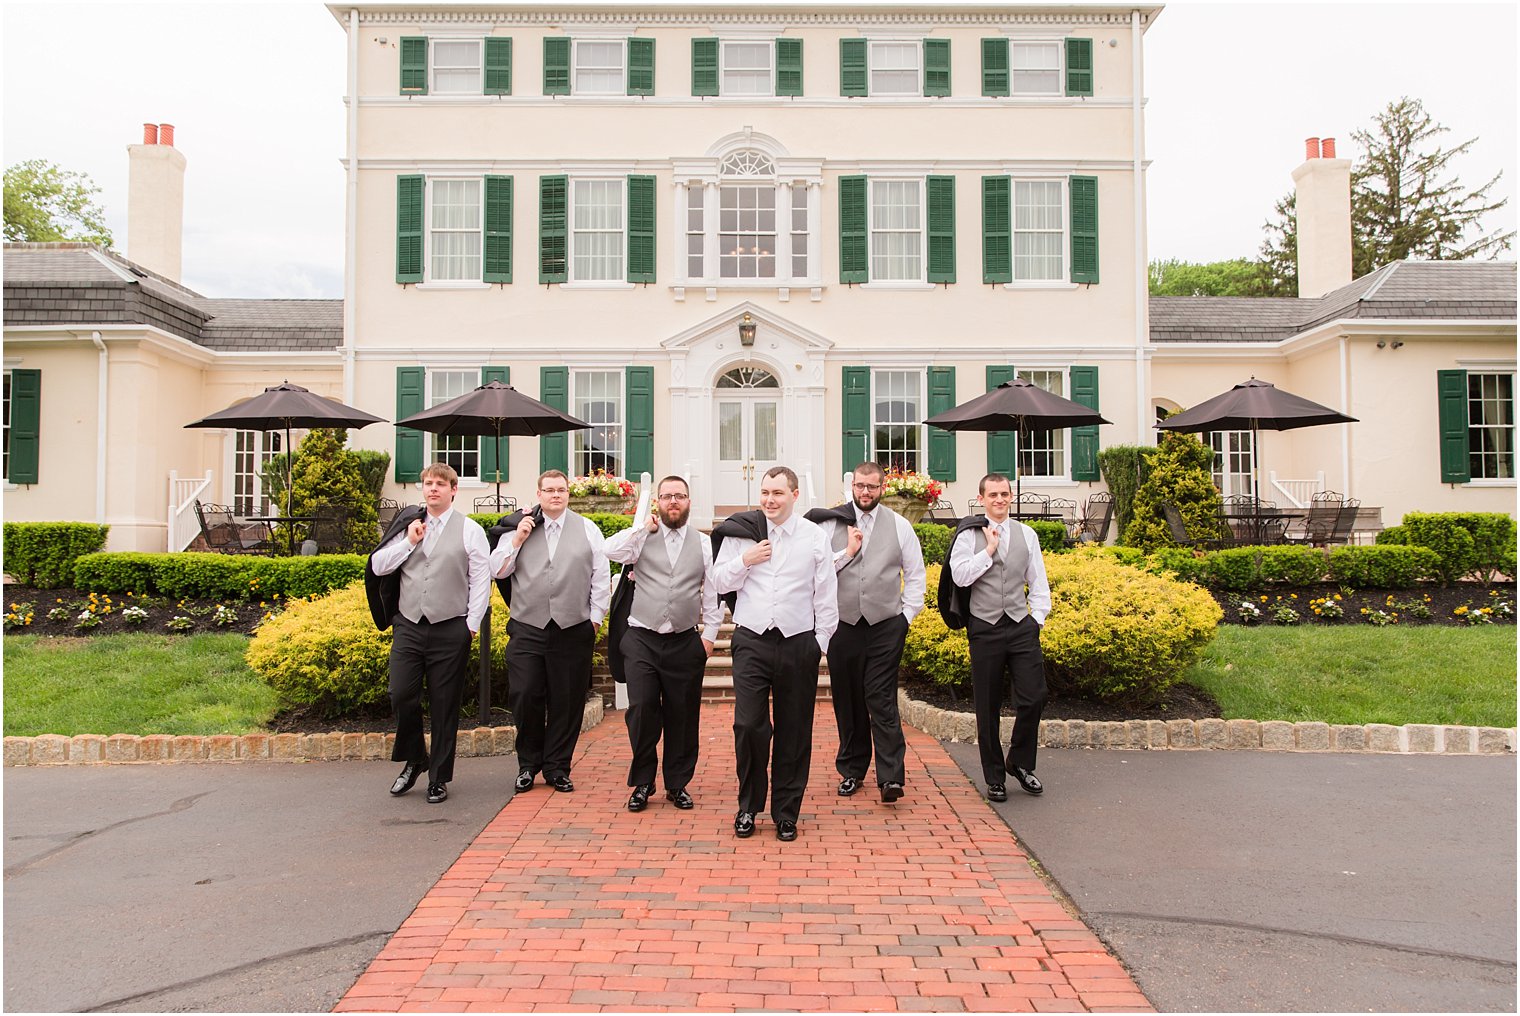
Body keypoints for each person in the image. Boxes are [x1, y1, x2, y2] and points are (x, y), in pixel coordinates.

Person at [712, 466, 838, 841]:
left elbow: (825, 593)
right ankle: (748, 807)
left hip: (799, 642)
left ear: (794, 496)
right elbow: (718, 581)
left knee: (795, 729)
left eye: (778, 493)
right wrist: (744, 560)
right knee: (748, 724)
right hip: (751, 639)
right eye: (765, 492)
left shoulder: (814, 536)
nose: (769, 499)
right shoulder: (741, 534)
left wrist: (820, 642)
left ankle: (786, 812)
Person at [366, 463, 491, 805]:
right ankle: (415, 758)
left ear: (453, 490)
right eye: (428, 483)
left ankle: (438, 777)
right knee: (400, 694)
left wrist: (471, 625)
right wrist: (408, 542)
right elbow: (378, 566)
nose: (433, 488)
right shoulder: (407, 525)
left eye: (440, 484)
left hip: (451, 625)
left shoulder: (470, 531)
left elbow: (480, 580)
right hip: (409, 624)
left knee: (444, 705)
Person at [603, 475, 721, 812]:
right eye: (667, 496)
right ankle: (642, 782)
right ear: (657, 501)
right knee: (641, 710)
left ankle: (677, 783)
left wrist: (709, 637)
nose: (673, 502)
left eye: (679, 496)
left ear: (688, 501)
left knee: (683, 715)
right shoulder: (642, 539)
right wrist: (642, 527)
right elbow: (608, 549)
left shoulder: (702, 543)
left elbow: (712, 593)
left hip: (685, 640)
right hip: (641, 637)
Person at [490, 469, 610, 794]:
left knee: (567, 701)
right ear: (539, 494)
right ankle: (528, 765)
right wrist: (517, 540)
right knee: (525, 694)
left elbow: (600, 578)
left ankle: (558, 766)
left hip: (573, 629)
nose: (555, 495)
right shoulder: (519, 527)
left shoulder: (587, 529)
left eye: (561, 490)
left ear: (568, 494)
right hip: (528, 626)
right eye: (549, 490)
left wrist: (595, 619)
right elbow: (497, 569)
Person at [812, 462, 925, 803]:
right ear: (852, 486)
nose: (865, 492)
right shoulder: (830, 524)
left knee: (880, 696)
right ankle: (852, 770)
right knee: (847, 700)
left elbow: (915, 575)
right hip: (842, 624)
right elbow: (816, 571)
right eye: (860, 486)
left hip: (885, 625)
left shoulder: (900, 526)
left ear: (882, 488)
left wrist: (905, 616)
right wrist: (846, 553)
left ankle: (891, 777)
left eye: (871, 487)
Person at [947, 472, 1052, 802]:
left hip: (1021, 625)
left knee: (1035, 696)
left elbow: (1038, 581)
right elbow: (960, 576)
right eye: (992, 495)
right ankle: (994, 777)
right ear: (981, 499)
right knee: (987, 705)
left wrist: (1036, 619)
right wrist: (988, 550)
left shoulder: (1027, 534)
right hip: (985, 626)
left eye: (1004, 494)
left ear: (1011, 496)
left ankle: (1019, 763)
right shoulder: (968, 535)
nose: (999, 500)